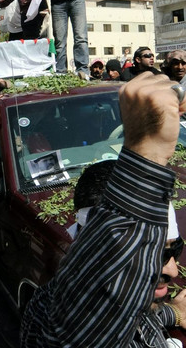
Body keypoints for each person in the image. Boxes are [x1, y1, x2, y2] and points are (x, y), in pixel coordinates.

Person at [20, 72, 186, 346]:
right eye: (150, 251)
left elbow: (132, 317)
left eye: (174, 249)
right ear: (89, 246)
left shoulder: (132, 301)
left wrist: (172, 314)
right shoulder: (59, 317)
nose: (172, 270)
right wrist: (148, 154)